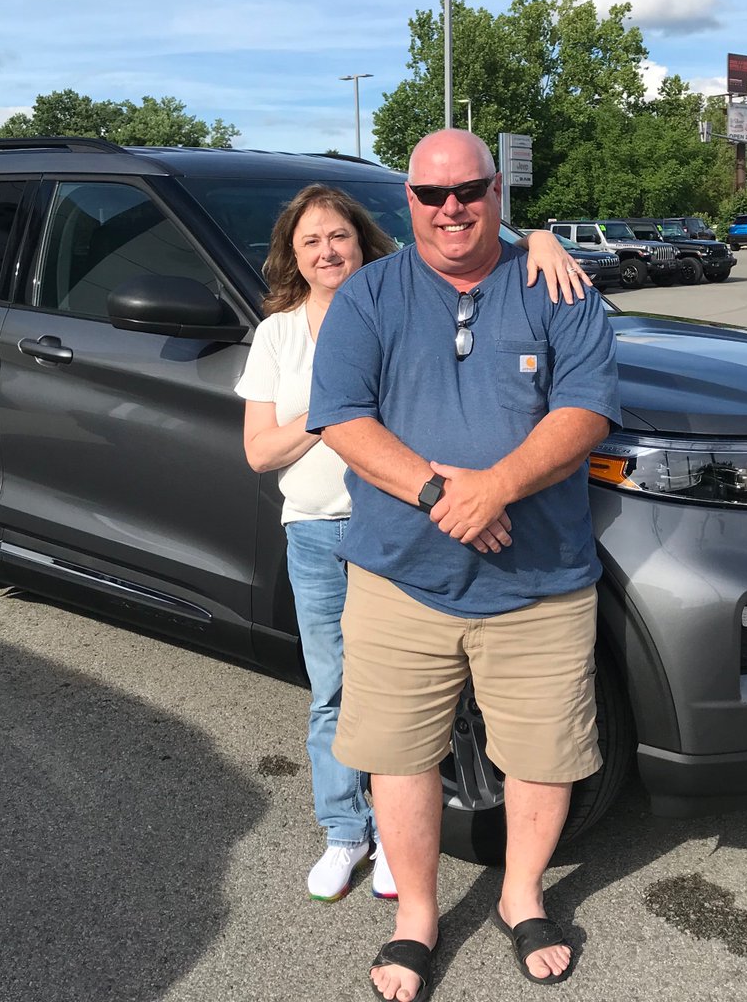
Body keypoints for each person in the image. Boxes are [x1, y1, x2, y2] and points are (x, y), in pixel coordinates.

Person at [307, 131, 621, 999]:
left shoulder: (557, 285)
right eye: (432, 193)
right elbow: (340, 417)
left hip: (540, 578)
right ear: (406, 200)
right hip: (399, 573)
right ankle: (416, 917)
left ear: (496, 191)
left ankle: (522, 898)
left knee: (541, 753)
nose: (452, 208)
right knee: (399, 755)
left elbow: (587, 410)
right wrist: (450, 494)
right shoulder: (367, 296)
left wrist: (501, 487)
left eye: (470, 190)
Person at [235, 181, 591, 905]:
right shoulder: (280, 334)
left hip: (411, 524)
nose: (327, 250)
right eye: (311, 241)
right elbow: (261, 451)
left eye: (339, 235)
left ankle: (404, 845)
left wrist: (543, 238)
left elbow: (467, 244)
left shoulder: (401, 300)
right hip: (322, 528)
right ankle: (346, 830)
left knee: (420, 704)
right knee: (339, 692)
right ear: (293, 257)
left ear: (364, 240)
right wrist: (339, 404)